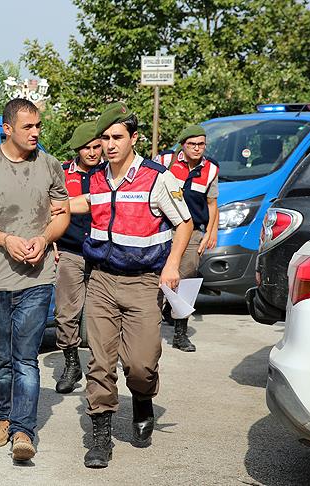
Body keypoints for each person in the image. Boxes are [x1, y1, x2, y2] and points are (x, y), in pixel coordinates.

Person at [70, 102, 193, 468]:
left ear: (133, 139)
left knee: (140, 365)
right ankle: (101, 439)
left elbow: (184, 223)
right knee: (100, 363)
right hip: (102, 281)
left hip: (143, 284)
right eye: (104, 138)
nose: (109, 145)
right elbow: (84, 203)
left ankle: (142, 399)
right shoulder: (96, 178)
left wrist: (172, 264)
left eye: (117, 137)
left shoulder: (157, 178)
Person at [0, 98, 71, 462]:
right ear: (7, 128)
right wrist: (6, 240)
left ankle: (24, 431)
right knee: (2, 358)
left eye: (38, 125)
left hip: (37, 278)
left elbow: (62, 214)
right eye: (28, 126)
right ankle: (3, 419)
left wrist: (45, 238)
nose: (36, 132)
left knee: (26, 359)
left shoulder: (50, 165)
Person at [157, 125, 220, 352]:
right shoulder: (165, 161)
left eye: (201, 144)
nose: (197, 148)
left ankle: (180, 334)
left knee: (187, 280)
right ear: (183, 145)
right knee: (158, 279)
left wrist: (211, 232)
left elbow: (212, 204)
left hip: (193, 231)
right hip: (163, 229)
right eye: (192, 144)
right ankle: (150, 330)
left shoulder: (211, 169)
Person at [53, 121, 104, 394]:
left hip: (102, 254)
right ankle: (72, 364)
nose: (93, 152)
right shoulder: (62, 174)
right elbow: (47, 209)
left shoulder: (108, 174)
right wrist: (50, 240)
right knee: (65, 313)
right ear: (78, 149)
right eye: (87, 148)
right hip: (70, 251)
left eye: (97, 146)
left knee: (100, 314)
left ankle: (100, 368)